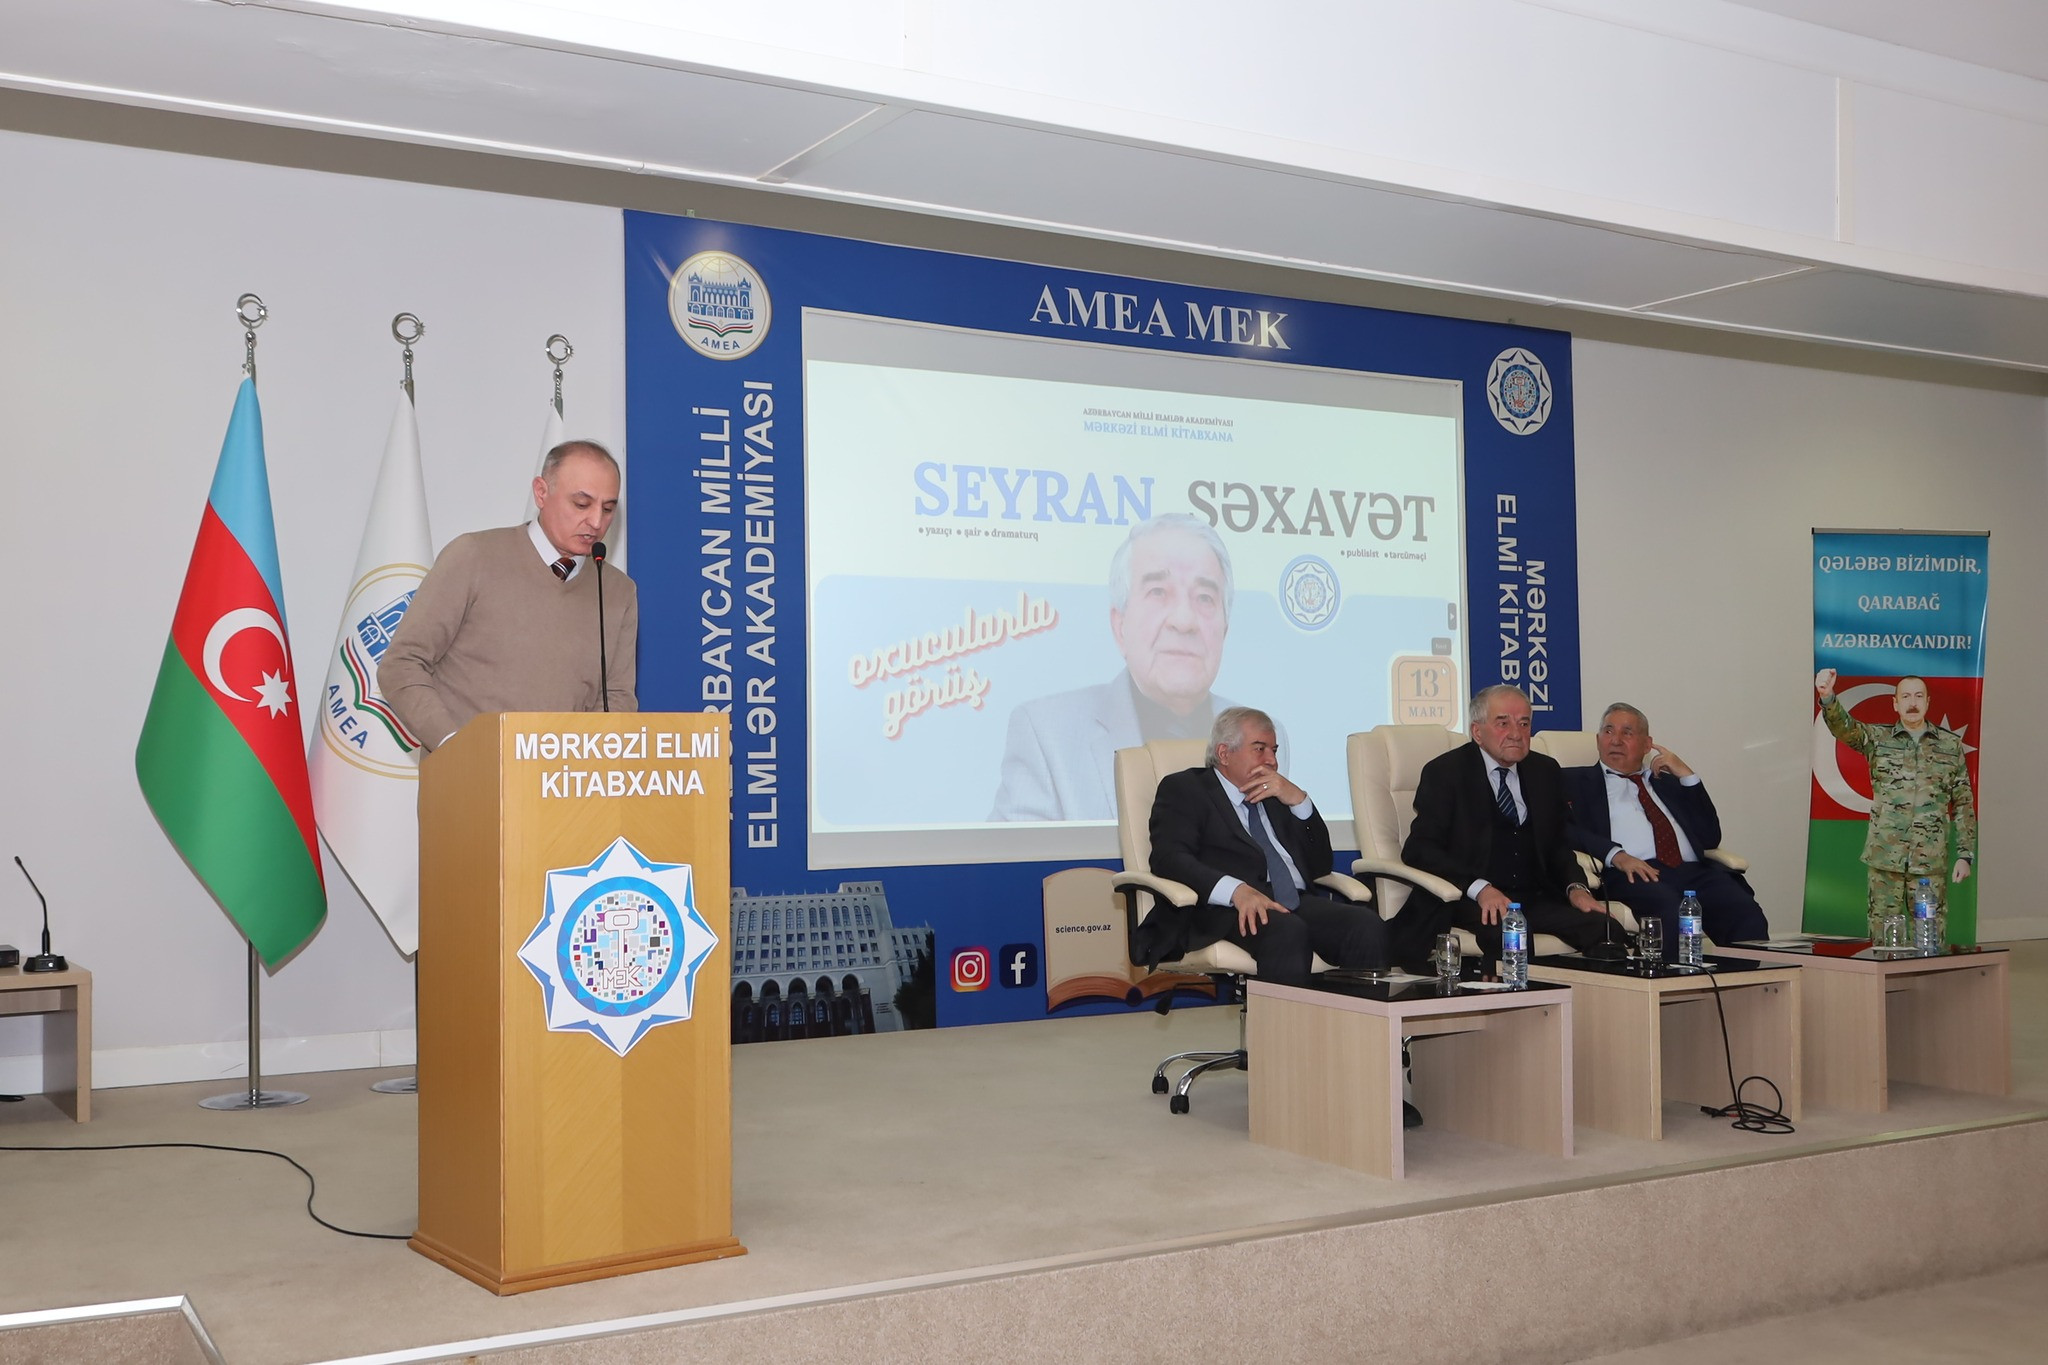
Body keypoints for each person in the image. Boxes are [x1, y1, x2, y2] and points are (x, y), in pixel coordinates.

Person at [990, 514, 1264, 822]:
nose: (1184, 620)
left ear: (1225, 629)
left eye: (1204, 597)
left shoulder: (1260, 736)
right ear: (1120, 626)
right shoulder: (1046, 734)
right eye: (1158, 592)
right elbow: (1016, 853)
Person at [380, 440, 637, 750]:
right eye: (582, 504)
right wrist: (455, 747)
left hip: (566, 777)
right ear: (541, 493)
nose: (596, 522)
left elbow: (617, 698)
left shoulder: (618, 591)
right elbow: (402, 664)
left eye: (608, 509)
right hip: (469, 771)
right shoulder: (473, 557)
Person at [1139, 707, 1394, 987]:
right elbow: (1169, 859)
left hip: (1292, 901)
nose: (1272, 761)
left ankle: (1355, 1017)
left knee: (1366, 926)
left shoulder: (1277, 795)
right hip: (1223, 909)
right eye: (1259, 749)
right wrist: (1236, 891)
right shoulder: (1186, 788)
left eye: (1274, 750)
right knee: (1286, 931)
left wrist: (1299, 802)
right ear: (1224, 753)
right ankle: (1286, 1019)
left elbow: (1321, 865)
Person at [1402, 684, 1617, 964]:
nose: (1516, 733)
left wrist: (1577, 888)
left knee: (1606, 929)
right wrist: (1480, 888)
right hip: (1470, 898)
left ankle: (1589, 993)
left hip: (1534, 895)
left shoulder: (1544, 770)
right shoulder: (1446, 772)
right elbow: (1420, 849)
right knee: (1513, 934)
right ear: (1477, 732)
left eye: (1524, 723)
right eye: (1503, 723)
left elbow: (1557, 845)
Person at [1560, 703, 1768, 956]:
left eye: (1627, 733)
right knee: (1670, 912)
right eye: (1608, 731)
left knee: (1743, 911)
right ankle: (1670, 977)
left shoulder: (1668, 783)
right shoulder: (1571, 780)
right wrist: (1616, 854)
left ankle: (1743, 979)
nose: (1615, 740)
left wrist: (1688, 777)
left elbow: (1709, 838)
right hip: (1633, 873)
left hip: (1692, 871)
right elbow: (1561, 828)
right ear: (1597, 739)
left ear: (1647, 745)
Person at [1815, 669, 1976, 942]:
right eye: (1906, 697)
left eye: (1918, 696)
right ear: (1895, 703)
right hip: (1885, 859)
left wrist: (1965, 854)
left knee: (1929, 939)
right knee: (1882, 938)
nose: (1912, 703)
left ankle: (1925, 971)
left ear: (1928, 702)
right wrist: (1828, 696)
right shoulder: (1878, 739)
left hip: (1929, 862)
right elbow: (1845, 728)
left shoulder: (1949, 745)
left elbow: (1963, 802)